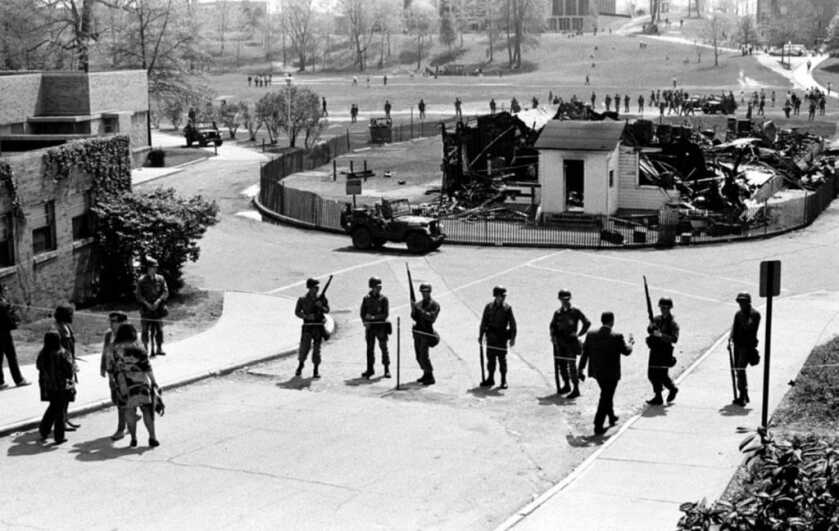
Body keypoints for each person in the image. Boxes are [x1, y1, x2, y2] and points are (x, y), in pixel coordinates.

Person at [578, 312, 634, 435]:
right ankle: (598, 425)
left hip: (597, 372)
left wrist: (580, 368)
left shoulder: (591, 334)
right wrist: (630, 343)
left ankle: (612, 416)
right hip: (611, 374)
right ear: (612, 321)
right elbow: (626, 351)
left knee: (606, 393)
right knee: (606, 396)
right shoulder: (617, 336)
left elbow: (585, 353)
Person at [112, 323, 159, 448]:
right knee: (147, 410)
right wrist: (154, 382)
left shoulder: (115, 350)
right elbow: (147, 368)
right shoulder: (138, 349)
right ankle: (152, 437)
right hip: (140, 383)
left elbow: (112, 368)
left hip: (124, 384)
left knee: (129, 411)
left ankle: (133, 438)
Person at [549, 290, 591, 399]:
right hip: (560, 343)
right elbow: (552, 326)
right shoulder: (558, 313)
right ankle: (567, 385)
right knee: (562, 366)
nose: (565, 302)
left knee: (572, 366)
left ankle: (576, 389)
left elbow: (587, 323)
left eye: (567, 299)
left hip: (571, 343)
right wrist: (553, 337)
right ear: (559, 300)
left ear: (570, 299)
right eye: (563, 300)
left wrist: (579, 334)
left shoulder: (575, 311)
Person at [37, 332, 75, 444]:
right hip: (61, 386)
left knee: (53, 408)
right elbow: (69, 371)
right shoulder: (62, 353)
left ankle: (44, 430)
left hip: (48, 386)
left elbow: (39, 367)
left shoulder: (43, 354)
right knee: (60, 411)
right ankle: (59, 436)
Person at [478, 286, 517, 389]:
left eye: (504, 296)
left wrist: (513, 338)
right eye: (502, 296)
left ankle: (503, 380)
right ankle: (490, 378)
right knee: (490, 360)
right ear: (496, 296)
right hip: (491, 337)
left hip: (501, 337)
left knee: (502, 360)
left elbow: (512, 324)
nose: (504, 298)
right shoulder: (489, 307)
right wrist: (481, 336)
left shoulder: (507, 308)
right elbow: (483, 322)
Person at [100, 312, 128, 440]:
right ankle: (131, 416)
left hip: (124, 373)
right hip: (112, 372)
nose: (111, 324)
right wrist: (103, 367)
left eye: (114, 321)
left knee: (122, 401)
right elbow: (105, 351)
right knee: (115, 399)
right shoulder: (108, 335)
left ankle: (121, 429)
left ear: (122, 322)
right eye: (110, 321)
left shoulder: (128, 334)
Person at [646, 297, 679, 405]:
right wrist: (651, 327)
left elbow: (674, 339)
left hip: (665, 351)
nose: (662, 309)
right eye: (661, 307)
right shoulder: (656, 319)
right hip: (655, 349)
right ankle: (658, 397)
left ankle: (672, 389)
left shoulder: (673, 323)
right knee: (651, 374)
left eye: (665, 307)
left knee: (662, 376)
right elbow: (649, 330)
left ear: (669, 308)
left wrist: (661, 335)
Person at [730, 293, 760, 406]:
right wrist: (730, 339)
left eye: (743, 302)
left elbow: (748, 327)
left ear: (748, 302)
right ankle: (743, 394)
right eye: (740, 302)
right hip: (737, 345)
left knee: (740, 369)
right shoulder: (738, 314)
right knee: (737, 369)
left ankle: (743, 395)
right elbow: (734, 327)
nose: (741, 304)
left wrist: (743, 315)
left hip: (747, 346)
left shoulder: (754, 314)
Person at [295, 278, 329, 379]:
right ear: (309, 288)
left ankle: (316, 369)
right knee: (304, 348)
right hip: (308, 326)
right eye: (315, 287)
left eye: (317, 287)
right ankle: (300, 365)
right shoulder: (302, 299)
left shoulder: (321, 298)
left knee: (317, 350)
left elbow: (327, 310)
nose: (317, 289)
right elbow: (297, 312)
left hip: (318, 327)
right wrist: (306, 316)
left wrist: (321, 306)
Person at [136, 257, 169, 357]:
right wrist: (147, 303)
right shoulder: (142, 280)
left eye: (156, 267)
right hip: (146, 309)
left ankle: (159, 348)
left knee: (159, 329)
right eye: (153, 267)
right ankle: (145, 348)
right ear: (148, 268)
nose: (155, 269)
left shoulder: (160, 279)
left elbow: (165, 292)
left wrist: (158, 301)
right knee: (145, 330)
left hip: (157, 308)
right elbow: (138, 295)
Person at [53, 304, 79, 431]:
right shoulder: (56, 329)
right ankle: (60, 423)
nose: (72, 317)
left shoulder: (67, 327)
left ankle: (65, 418)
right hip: (61, 368)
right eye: (71, 314)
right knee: (62, 396)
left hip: (68, 365)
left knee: (69, 394)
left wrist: (73, 362)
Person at [360, 277, 390, 379]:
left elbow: (385, 314)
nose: (379, 289)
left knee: (384, 348)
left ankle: (386, 369)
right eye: (377, 287)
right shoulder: (366, 298)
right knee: (370, 349)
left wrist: (373, 317)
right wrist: (365, 322)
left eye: (380, 287)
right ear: (372, 287)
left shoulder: (384, 299)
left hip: (381, 327)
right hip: (370, 328)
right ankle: (370, 369)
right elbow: (362, 313)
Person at [0, 284, 28, 389]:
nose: (7, 291)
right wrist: (8, 307)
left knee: (4, 357)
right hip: (3, 333)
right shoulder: (2, 303)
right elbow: (5, 314)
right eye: (5, 290)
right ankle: (18, 380)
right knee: (11, 357)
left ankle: (1, 382)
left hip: (4, 332)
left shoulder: (3, 301)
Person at [412, 283, 440, 386]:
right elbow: (415, 317)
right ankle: (425, 373)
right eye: (422, 292)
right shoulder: (418, 304)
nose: (424, 294)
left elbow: (431, 318)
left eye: (426, 292)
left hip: (426, 333)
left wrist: (419, 310)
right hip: (418, 332)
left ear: (429, 292)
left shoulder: (434, 305)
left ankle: (430, 376)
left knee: (424, 356)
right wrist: (413, 310)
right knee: (418, 356)